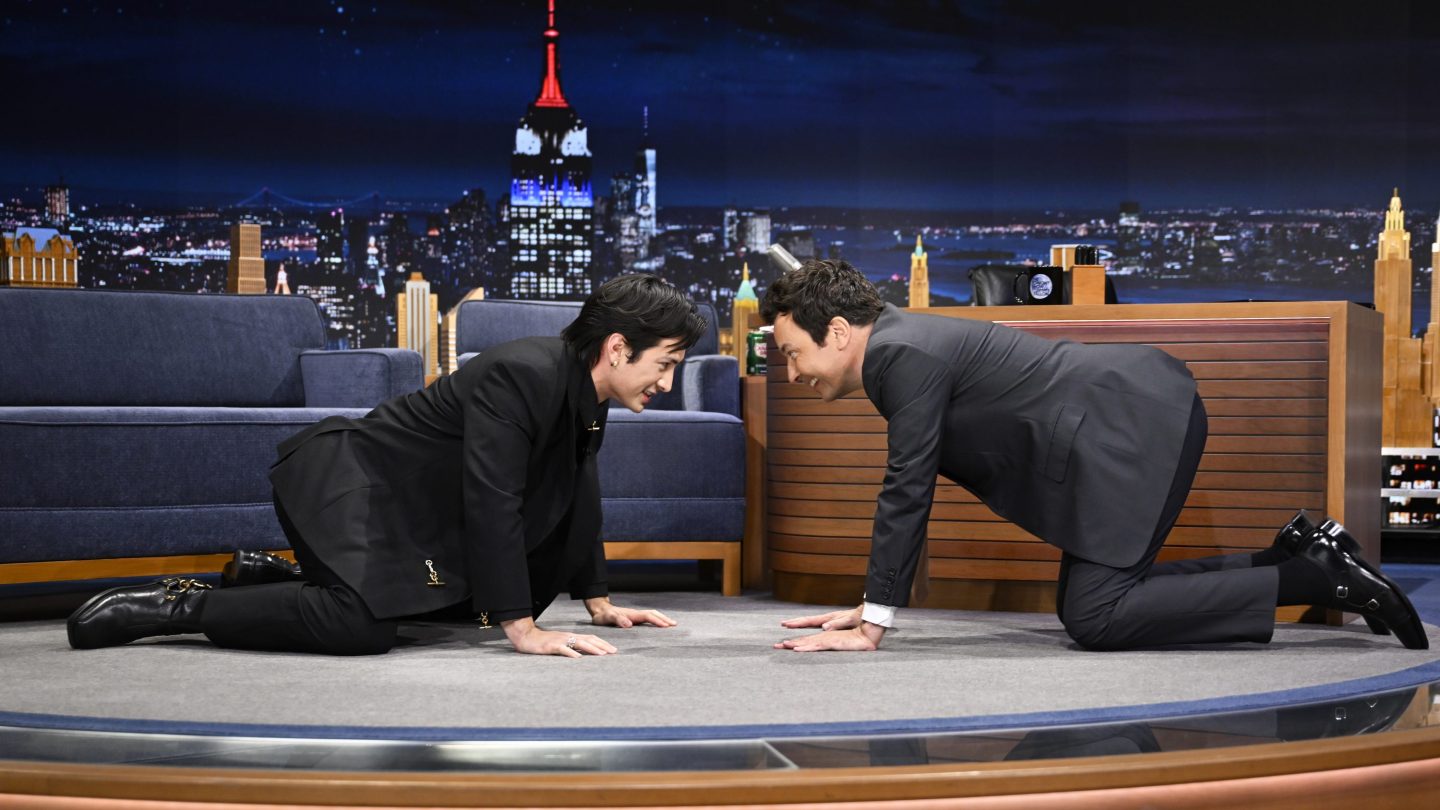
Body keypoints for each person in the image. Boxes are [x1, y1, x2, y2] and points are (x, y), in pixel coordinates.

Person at [763, 259, 1428, 653]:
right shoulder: (899, 345)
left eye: (792, 354)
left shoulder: (898, 355)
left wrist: (874, 621)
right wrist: (876, 601)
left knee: (1096, 615)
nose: (791, 374)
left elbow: (907, 486)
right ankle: (1294, 560)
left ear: (839, 332)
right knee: (1095, 602)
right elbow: (915, 483)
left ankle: (1320, 580)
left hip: (1129, 432)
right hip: (1122, 429)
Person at [68, 274, 702, 657]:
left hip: (412, 515)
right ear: (617, 348)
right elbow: (493, 498)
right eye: (666, 364)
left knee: (458, 603)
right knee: (361, 627)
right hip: (353, 484)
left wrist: (597, 599)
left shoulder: (584, 391)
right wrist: (521, 630)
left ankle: (276, 578)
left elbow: (576, 486)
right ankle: (180, 606)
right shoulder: (523, 374)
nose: (667, 384)